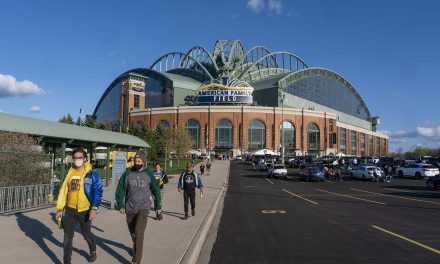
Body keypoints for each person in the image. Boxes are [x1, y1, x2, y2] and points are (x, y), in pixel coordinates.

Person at [56, 148, 103, 264]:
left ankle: (92, 251)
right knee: (67, 238)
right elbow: (63, 191)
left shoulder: (92, 174)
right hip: (70, 210)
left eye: (80, 158)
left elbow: (98, 191)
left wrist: (94, 208)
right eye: (75, 158)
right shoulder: (70, 173)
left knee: (86, 235)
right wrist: (60, 208)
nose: (77, 160)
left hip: (85, 210)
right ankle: (66, 261)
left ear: (85, 159)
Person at [115, 153, 161, 264]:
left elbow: (156, 190)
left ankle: (137, 260)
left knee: (139, 232)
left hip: (144, 207)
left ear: (144, 162)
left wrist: (158, 206)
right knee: (133, 234)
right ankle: (136, 247)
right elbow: (120, 189)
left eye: (139, 161)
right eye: (135, 161)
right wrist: (121, 205)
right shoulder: (127, 174)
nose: (136, 163)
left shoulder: (149, 174)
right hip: (130, 207)